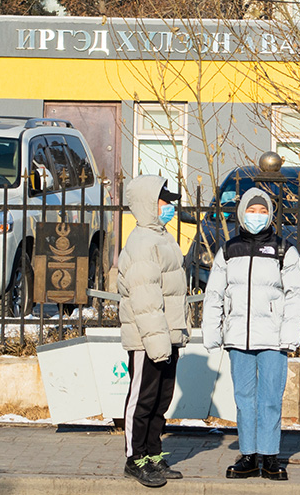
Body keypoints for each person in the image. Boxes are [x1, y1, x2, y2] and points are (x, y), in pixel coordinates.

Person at [203, 188, 300, 481]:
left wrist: (289, 334)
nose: (256, 216)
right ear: (242, 212)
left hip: (273, 338)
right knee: (244, 398)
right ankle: (248, 455)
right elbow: (214, 294)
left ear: (270, 214)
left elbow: (295, 295)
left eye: (262, 211)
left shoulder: (284, 250)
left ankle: (270, 456)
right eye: (251, 210)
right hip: (239, 338)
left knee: (271, 398)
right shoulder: (229, 250)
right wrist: (213, 331)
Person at [118, 175, 189, 488]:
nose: (169, 206)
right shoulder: (143, 243)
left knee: (160, 400)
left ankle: (153, 453)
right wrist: (158, 343)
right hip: (148, 339)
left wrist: (173, 337)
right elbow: (145, 299)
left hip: (165, 336)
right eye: (164, 200)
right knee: (143, 399)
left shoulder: (162, 238)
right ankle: (135, 459)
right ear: (149, 203)